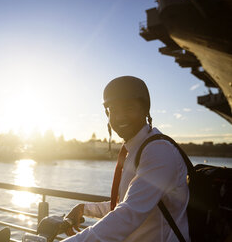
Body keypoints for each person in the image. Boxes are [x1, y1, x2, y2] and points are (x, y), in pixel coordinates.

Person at [62, 76, 190, 241]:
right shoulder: (135, 149)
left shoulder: (158, 150)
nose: (120, 117)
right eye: (113, 110)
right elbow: (127, 203)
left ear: (145, 111)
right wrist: (85, 208)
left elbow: (130, 212)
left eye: (128, 108)